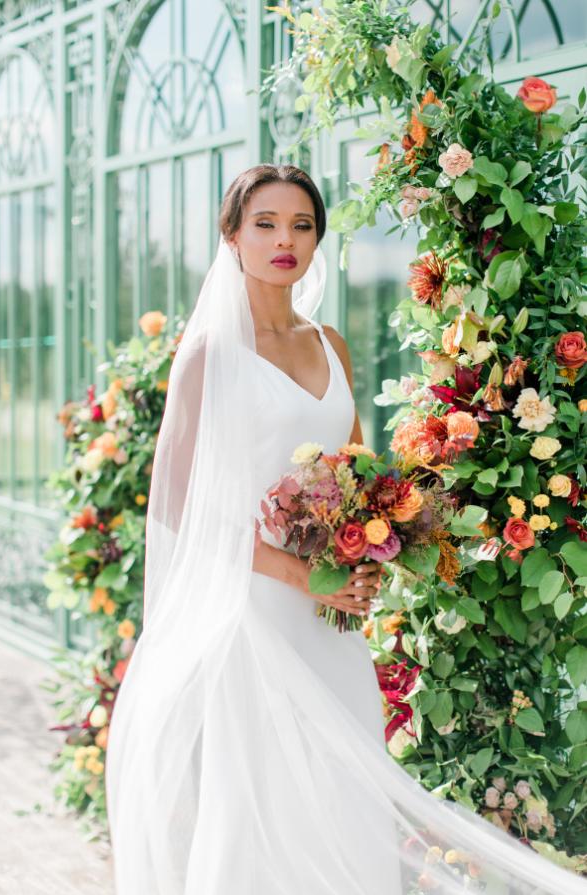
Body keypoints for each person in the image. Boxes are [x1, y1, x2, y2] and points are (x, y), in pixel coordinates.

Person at [105, 164, 586, 895]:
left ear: (317, 238)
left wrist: (372, 546)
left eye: (301, 225)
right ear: (231, 235)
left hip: (331, 619)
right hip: (254, 616)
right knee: (260, 805)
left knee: (344, 796)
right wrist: (296, 570)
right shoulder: (209, 355)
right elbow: (173, 505)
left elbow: (354, 471)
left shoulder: (331, 342)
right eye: (264, 223)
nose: (283, 240)